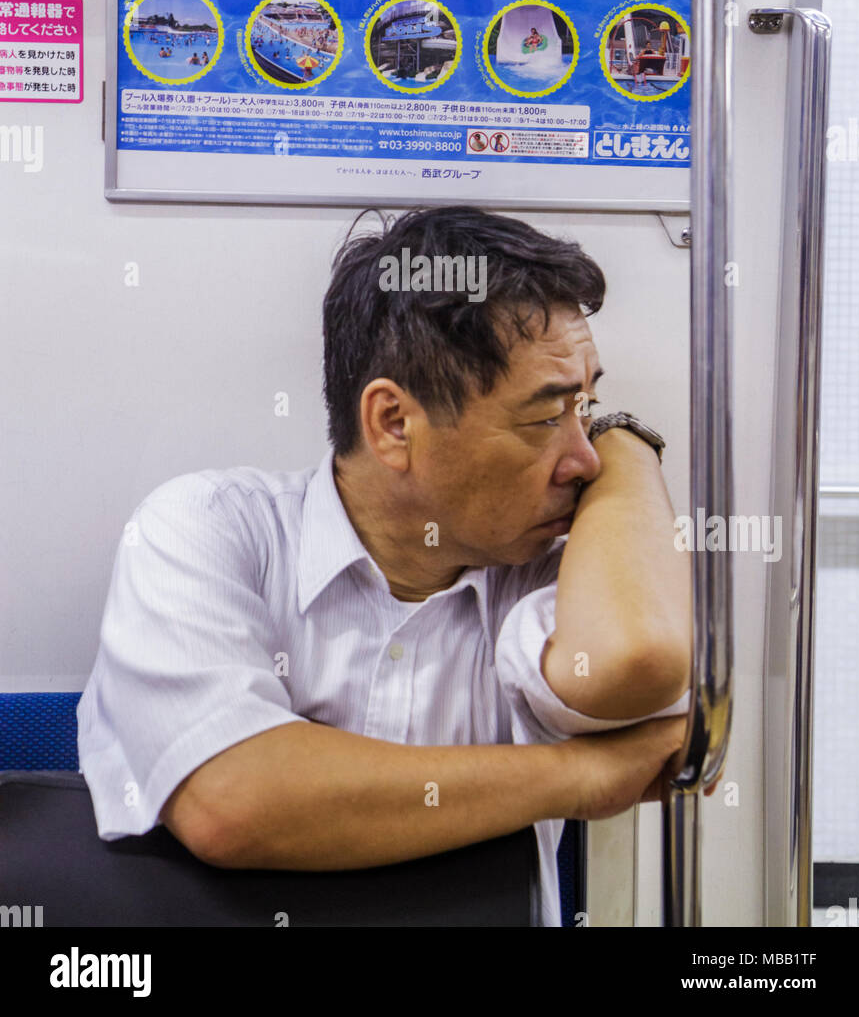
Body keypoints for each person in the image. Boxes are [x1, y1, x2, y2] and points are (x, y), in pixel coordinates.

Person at [76, 207, 695, 929]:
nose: (581, 459)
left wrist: (629, 444)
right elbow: (232, 801)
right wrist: (582, 779)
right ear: (394, 425)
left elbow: (640, 657)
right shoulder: (207, 530)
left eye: (585, 409)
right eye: (544, 419)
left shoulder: (555, 578)